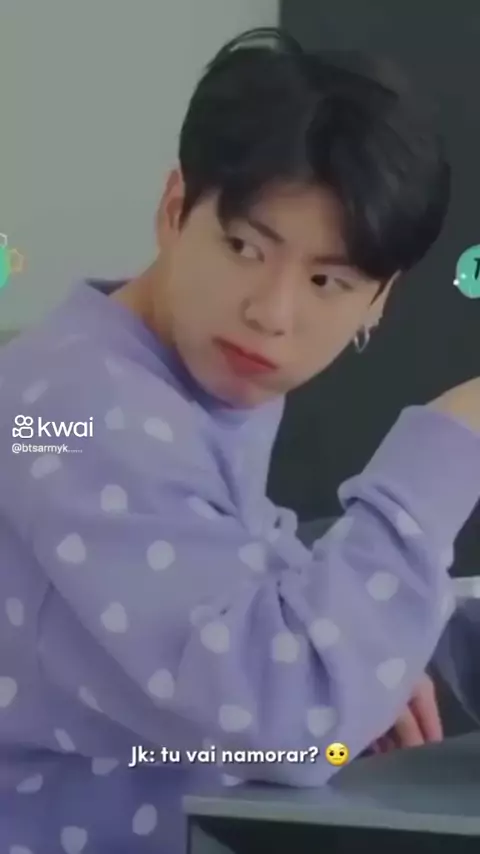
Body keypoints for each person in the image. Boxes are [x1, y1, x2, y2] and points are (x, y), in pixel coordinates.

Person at [0, 26, 479, 854]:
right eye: (244, 247)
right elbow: (288, 720)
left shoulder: (161, 386)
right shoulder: (76, 414)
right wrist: (454, 442)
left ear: (379, 299)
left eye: (327, 280)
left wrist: (378, 656)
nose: (271, 312)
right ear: (174, 208)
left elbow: (232, 586)